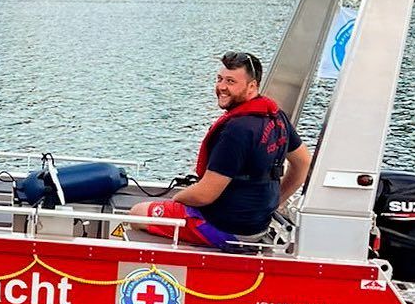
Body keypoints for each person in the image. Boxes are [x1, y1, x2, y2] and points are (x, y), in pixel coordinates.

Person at [130, 51, 311, 248]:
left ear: (252, 86)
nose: (221, 87)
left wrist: (177, 199)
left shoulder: (237, 130)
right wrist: (275, 202)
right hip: (257, 225)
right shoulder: (277, 118)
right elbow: (303, 163)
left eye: (231, 82)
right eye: (220, 79)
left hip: (224, 227)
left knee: (137, 213)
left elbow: (203, 195)